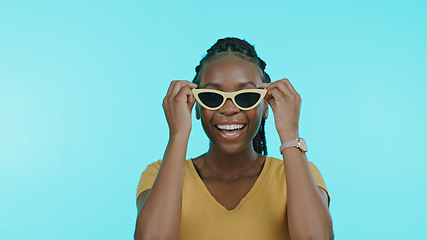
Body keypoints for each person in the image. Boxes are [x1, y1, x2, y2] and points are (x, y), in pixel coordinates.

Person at [134, 37, 334, 240]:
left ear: (266, 106)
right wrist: (178, 134)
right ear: (196, 106)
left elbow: (315, 237)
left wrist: (290, 133)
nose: (229, 109)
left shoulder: (299, 174)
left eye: (246, 96)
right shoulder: (158, 174)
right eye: (211, 97)